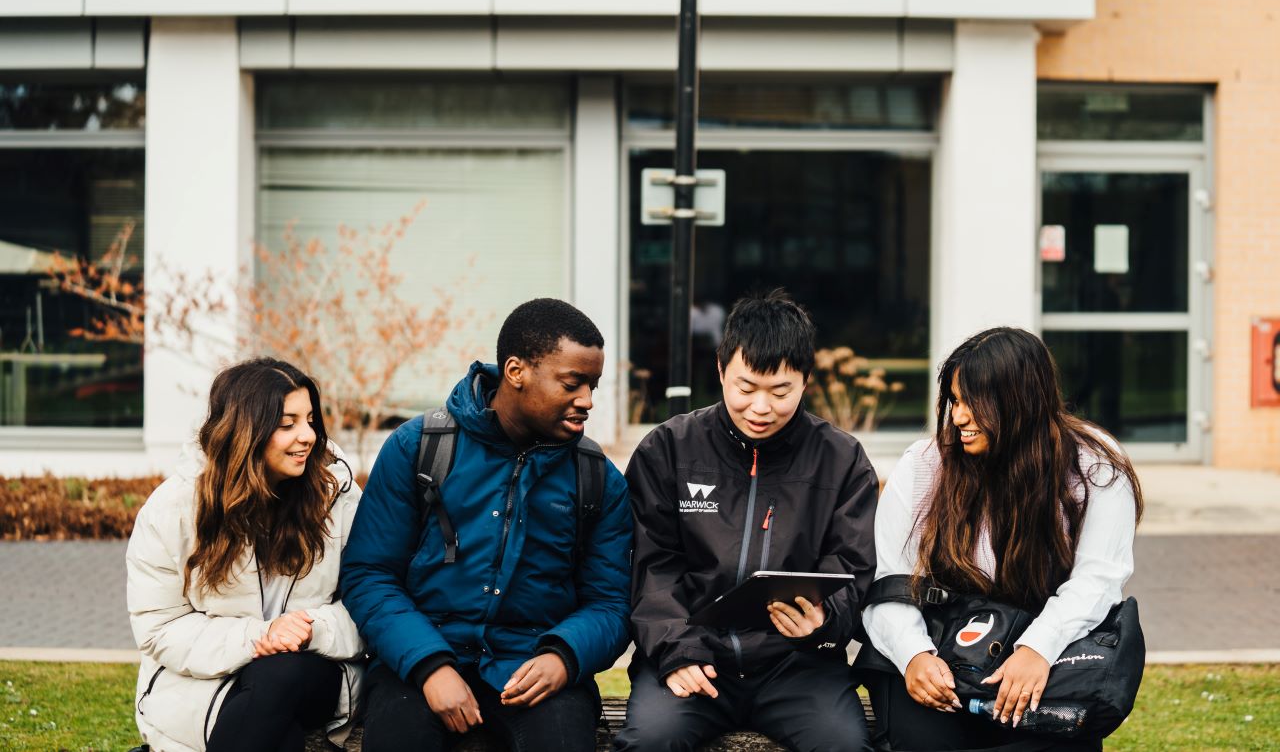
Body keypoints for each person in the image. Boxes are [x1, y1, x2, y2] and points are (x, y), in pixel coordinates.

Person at [340, 298, 633, 752]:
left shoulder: (597, 479)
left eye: (593, 386)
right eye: (573, 384)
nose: (587, 402)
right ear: (516, 372)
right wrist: (429, 666)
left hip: (538, 670)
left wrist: (563, 657)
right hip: (417, 666)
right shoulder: (418, 448)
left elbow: (611, 603)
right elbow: (369, 575)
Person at [616, 289, 878, 752]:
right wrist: (678, 652)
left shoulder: (840, 459)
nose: (761, 407)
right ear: (720, 370)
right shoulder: (669, 449)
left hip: (798, 667)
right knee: (648, 742)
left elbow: (852, 569)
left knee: (847, 747)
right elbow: (649, 568)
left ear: (805, 381)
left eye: (781, 392)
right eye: (745, 388)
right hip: (691, 655)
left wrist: (824, 619)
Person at [860, 327, 1143, 751]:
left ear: (1021, 401)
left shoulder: (1094, 467)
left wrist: (1037, 650)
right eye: (955, 400)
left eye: (974, 403)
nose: (958, 417)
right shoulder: (923, 466)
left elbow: (1097, 579)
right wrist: (913, 655)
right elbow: (890, 581)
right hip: (938, 657)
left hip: (1044, 657)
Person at [126, 358, 364, 752]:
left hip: (313, 668)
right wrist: (260, 636)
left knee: (278, 677)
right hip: (207, 680)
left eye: (310, 420)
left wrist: (310, 629)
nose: (307, 436)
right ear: (245, 431)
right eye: (287, 424)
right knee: (275, 733)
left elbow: (369, 597)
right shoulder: (174, 509)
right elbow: (159, 627)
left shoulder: (337, 497)